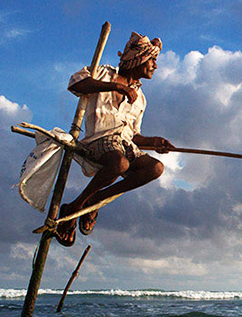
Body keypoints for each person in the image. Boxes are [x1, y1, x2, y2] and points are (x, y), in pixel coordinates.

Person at [55, 32, 174, 246]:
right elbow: (75, 84)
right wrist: (116, 87)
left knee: (155, 168)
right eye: (152, 60)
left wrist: (154, 141)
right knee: (120, 163)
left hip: (123, 145)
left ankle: (94, 201)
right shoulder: (104, 74)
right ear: (138, 59)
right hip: (98, 140)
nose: (155, 66)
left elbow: (133, 136)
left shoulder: (141, 100)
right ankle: (74, 208)